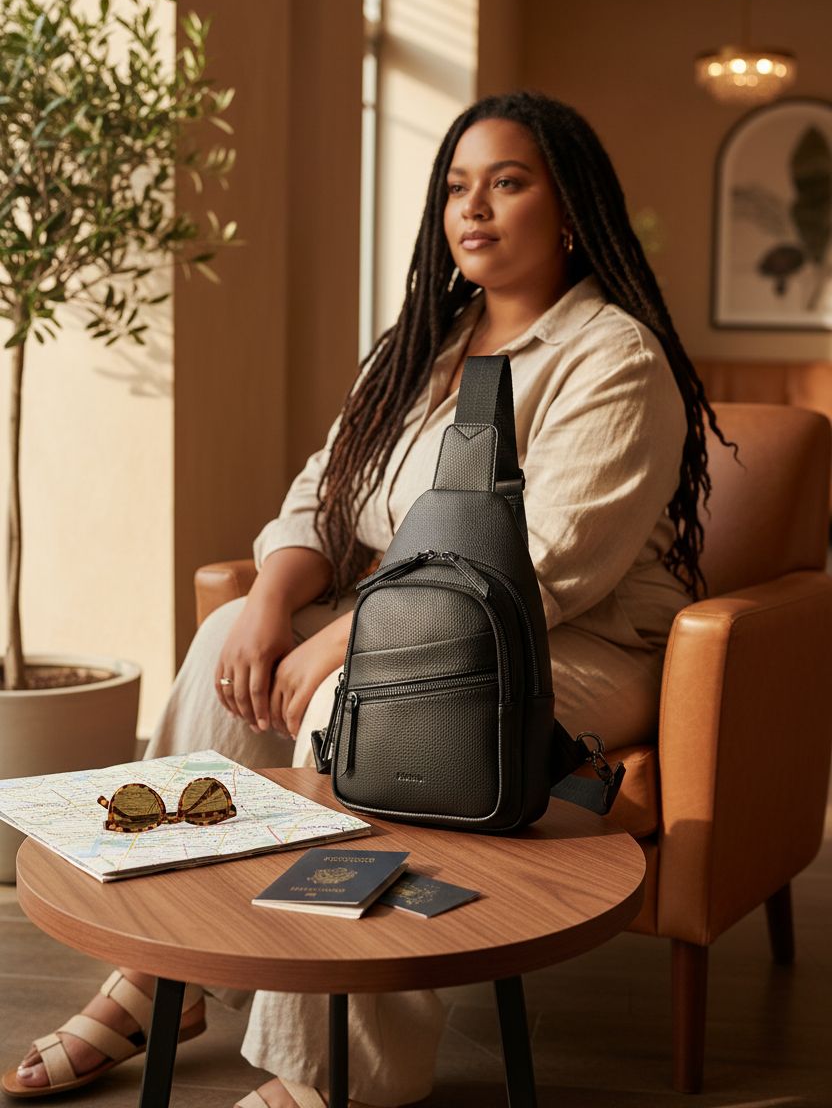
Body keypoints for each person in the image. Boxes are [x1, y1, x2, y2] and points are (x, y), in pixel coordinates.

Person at [4, 91, 731, 1107]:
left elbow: (543, 562)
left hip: (565, 642)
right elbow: (324, 494)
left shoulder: (615, 357)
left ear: (570, 212)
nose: (472, 209)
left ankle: (328, 1074)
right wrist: (269, 608)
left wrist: (346, 641)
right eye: (455, 188)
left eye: (508, 183)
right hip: (401, 620)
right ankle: (164, 969)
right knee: (224, 639)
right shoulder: (421, 348)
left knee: (372, 705)